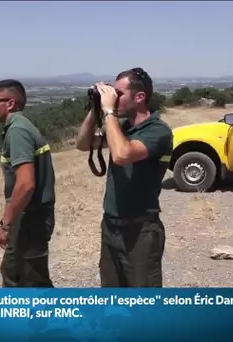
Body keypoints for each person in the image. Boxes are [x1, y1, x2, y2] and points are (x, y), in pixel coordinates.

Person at [75, 67, 173, 287]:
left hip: (140, 231)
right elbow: (83, 144)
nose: (113, 98)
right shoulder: (123, 128)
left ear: (140, 97)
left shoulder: (158, 131)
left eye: (118, 94)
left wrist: (109, 112)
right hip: (111, 227)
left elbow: (121, 154)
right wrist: (95, 109)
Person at [0, 79, 56, 287]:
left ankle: (47, 318)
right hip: (31, 217)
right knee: (20, 274)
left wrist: (5, 224)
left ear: (10, 103)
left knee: (25, 279)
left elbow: (25, 184)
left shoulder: (17, 131)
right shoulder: (20, 127)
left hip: (29, 220)